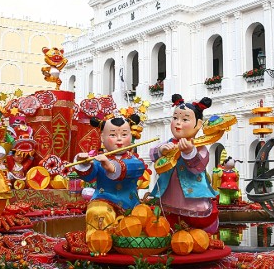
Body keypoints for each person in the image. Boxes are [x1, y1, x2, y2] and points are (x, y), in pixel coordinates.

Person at [150, 94, 219, 233]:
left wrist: (189, 152)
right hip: (168, 198)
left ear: (198, 124)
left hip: (194, 201)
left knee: (198, 228)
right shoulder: (169, 143)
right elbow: (152, 154)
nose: (178, 123)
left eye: (185, 119)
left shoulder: (199, 146)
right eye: (175, 118)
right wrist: (161, 150)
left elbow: (197, 167)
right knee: (166, 223)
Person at [74, 113, 146, 233]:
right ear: (102, 137)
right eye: (113, 135)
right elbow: (89, 176)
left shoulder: (134, 161)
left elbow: (137, 169)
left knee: (141, 221)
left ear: (131, 135)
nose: (119, 139)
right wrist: (84, 163)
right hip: (103, 199)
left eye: (124, 134)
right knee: (97, 212)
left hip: (130, 203)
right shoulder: (99, 159)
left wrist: (111, 166)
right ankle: (99, 243)